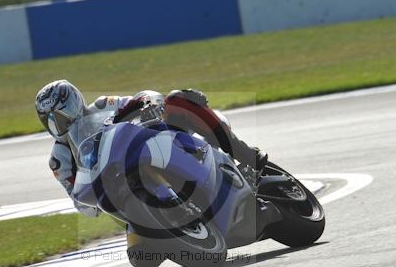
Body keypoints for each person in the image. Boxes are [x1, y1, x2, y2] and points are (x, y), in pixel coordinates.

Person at [34, 79, 268, 217]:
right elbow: (80, 202)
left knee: (178, 99)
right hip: (121, 192)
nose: (58, 124)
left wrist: (148, 104)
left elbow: (138, 100)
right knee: (141, 258)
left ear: (75, 102)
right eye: (50, 120)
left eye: (60, 115)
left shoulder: (103, 105)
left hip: (145, 149)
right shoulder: (59, 159)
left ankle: (246, 155)